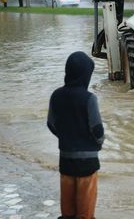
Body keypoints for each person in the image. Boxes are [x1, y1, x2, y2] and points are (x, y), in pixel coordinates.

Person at [47, 51, 104, 219]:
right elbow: (97, 129)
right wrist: (98, 144)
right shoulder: (89, 98)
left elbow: (51, 124)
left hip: (65, 159)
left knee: (68, 212)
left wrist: (66, 139)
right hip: (88, 162)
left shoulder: (56, 96)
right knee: (85, 214)